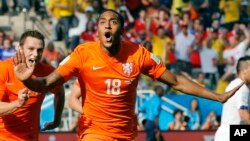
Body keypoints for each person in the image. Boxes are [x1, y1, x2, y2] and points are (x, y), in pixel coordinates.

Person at [13, 9, 244, 141]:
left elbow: (176, 81)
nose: (107, 26)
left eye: (113, 22)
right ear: (98, 31)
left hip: (126, 133)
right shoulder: (82, 54)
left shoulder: (138, 54)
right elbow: (46, 84)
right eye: (102, 22)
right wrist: (26, 79)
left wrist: (216, 96)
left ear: (121, 30)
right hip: (94, 131)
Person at [0, 30, 65, 141]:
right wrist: (18, 103)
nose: (35, 54)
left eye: (39, 50)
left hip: (30, 137)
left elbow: (60, 92)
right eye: (31, 49)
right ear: (20, 49)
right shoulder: (3, 69)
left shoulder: (48, 72)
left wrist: (57, 119)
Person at [214, 56, 250, 141]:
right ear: (244, 70)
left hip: (228, 133)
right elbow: (243, 114)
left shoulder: (233, 84)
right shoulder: (241, 87)